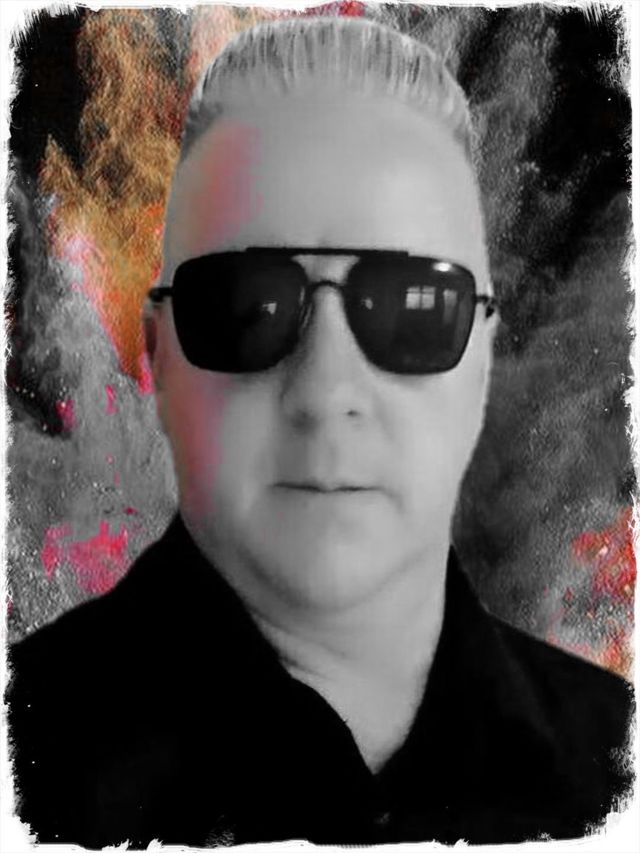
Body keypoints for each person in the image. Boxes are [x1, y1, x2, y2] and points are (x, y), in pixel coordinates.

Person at [7, 16, 632, 849]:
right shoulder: (23, 764)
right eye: (247, 305)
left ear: (481, 358)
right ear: (160, 356)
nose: (327, 388)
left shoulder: (616, 767)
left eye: (413, 305)